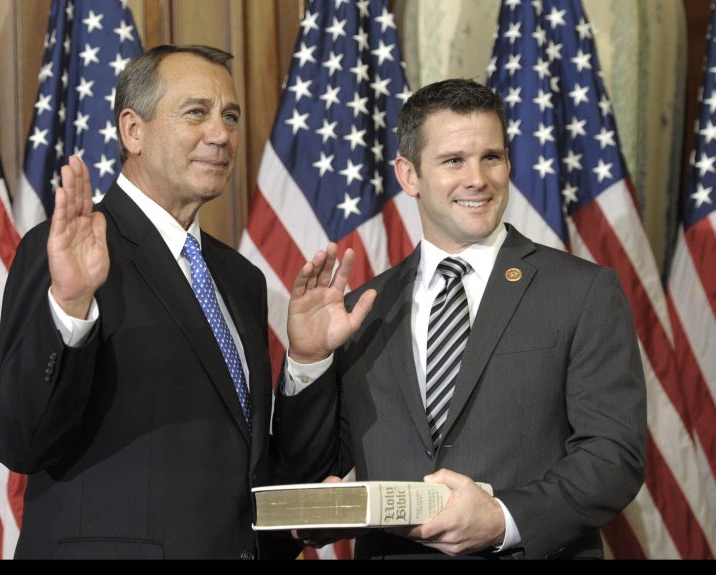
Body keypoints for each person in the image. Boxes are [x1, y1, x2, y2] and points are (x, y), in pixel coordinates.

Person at [275, 78, 647, 559]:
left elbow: (615, 455)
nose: (478, 178)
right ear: (409, 176)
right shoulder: (364, 307)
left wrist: (503, 519)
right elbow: (311, 470)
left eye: (491, 157)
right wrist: (309, 359)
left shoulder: (582, 291)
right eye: (454, 161)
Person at [0, 45, 290, 559]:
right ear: (133, 131)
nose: (221, 134)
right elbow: (21, 441)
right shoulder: (70, 249)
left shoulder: (241, 279)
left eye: (231, 115)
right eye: (197, 112)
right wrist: (70, 306)